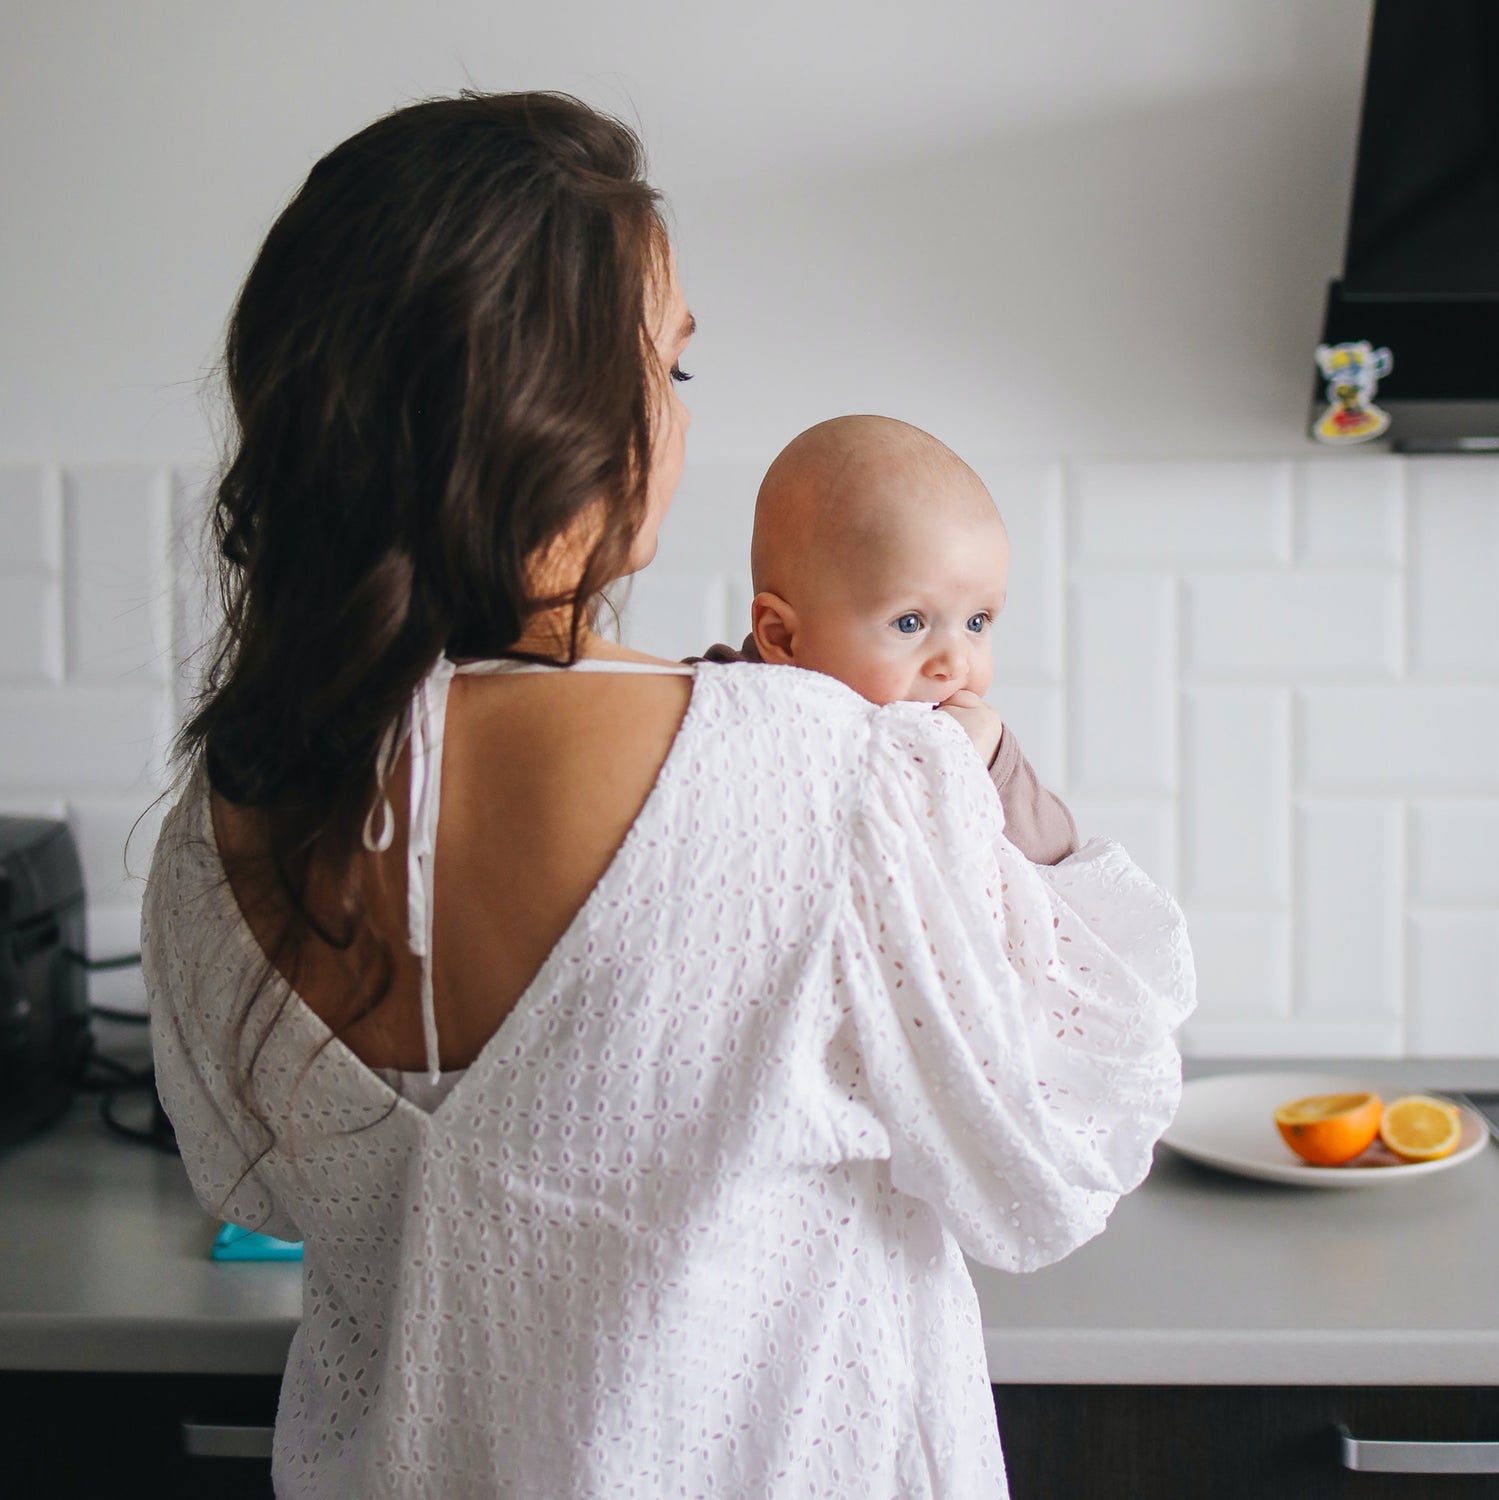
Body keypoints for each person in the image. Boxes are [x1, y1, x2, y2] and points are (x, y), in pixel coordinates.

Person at [143, 90, 1195, 1499]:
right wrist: (1013, 815)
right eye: (674, 370)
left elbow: (258, 1187)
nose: (680, 420)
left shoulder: (225, 829)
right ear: (565, 415)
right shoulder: (826, 774)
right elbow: (1054, 1162)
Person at [691, 413, 1077, 865]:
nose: (954, 663)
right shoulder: (721, 705)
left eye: (977, 622)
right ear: (783, 637)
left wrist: (987, 765)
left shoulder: (965, 741)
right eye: (909, 623)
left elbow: (1059, 857)